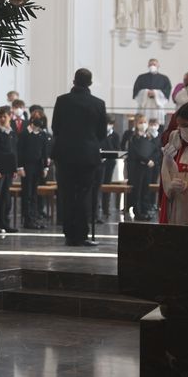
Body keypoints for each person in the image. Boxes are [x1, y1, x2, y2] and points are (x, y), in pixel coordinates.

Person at [51, 69, 108, 246]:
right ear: (90, 83)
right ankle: (82, 234)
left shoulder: (62, 100)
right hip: (87, 156)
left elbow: (55, 128)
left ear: (74, 81)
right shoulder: (98, 103)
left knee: (67, 193)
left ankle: (69, 234)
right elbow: (102, 133)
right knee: (84, 194)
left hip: (65, 155)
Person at [0, 106, 21, 233]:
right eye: (0, 117)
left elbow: (14, 152)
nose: (2, 119)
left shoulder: (12, 133)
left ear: (10, 116)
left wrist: (15, 168)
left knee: (6, 197)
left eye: (4, 116)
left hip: (9, 170)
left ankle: (4, 222)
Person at [125, 114, 160, 221]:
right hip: (137, 168)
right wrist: (146, 160)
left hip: (148, 168)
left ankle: (145, 210)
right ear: (136, 124)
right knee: (138, 190)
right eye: (140, 122)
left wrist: (152, 160)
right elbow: (135, 152)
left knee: (146, 189)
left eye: (145, 122)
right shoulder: (133, 137)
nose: (143, 125)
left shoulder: (149, 137)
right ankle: (138, 212)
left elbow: (156, 150)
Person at [19, 115, 51, 229]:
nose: (38, 129)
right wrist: (20, 167)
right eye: (36, 127)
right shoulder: (24, 134)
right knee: (27, 193)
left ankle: (34, 217)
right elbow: (20, 151)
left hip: (38, 166)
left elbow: (45, 152)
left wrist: (45, 167)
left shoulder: (42, 135)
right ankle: (28, 219)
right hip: (27, 166)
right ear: (32, 124)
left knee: (34, 194)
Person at [132, 58, 172, 123]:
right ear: (148, 66)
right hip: (145, 105)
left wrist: (156, 93)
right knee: (143, 122)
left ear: (158, 66)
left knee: (157, 123)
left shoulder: (164, 78)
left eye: (154, 64)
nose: (152, 66)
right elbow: (136, 89)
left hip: (157, 105)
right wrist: (145, 92)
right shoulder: (141, 77)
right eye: (150, 64)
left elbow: (167, 90)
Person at [100, 117, 122, 221]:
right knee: (99, 184)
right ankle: (98, 207)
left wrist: (108, 138)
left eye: (110, 124)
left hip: (110, 163)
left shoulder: (115, 136)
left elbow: (116, 149)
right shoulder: (100, 134)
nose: (107, 126)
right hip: (100, 162)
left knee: (107, 185)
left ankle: (106, 208)